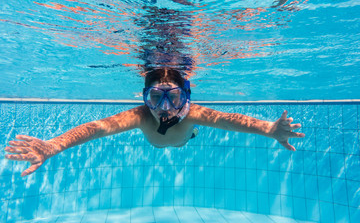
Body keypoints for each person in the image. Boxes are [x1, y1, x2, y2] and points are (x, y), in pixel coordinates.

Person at [4, 68, 305, 177]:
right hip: (161, 141)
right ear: (145, 98)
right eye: (155, 98)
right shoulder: (139, 116)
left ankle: (192, 135)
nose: (163, 108)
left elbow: (228, 120)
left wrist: (268, 128)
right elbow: (97, 128)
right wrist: (54, 145)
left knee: (193, 131)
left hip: (185, 137)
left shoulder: (194, 113)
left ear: (185, 97)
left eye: (172, 98)